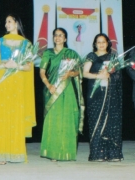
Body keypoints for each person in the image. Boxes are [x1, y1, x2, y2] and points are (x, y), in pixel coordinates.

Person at [0, 14, 36, 164]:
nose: (6, 24)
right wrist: (3, 65)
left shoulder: (26, 44)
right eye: (5, 22)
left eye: (9, 21)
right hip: (2, 82)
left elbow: (28, 67)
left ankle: (13, 151)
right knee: (1, 114)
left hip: (17, 84)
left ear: (16, 23)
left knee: (15, 115)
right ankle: (0, 153)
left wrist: (17, 66)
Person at [40, 27, 84, 161]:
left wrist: (71, 73)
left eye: (61, 35)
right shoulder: (48, 53)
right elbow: (42, 72)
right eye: (55, 35)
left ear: (65, 39)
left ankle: (66, 152)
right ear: (53, 38)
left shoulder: (71, 53)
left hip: (67, 90)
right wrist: (49, 85)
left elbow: (79, 71)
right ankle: (53, 152)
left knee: (67, 119)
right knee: (53, 120)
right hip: (53, 90)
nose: (58, 37)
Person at [83, 33, 123, 162]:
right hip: (96, 94)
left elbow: (118, 76)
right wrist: (98, 76)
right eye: (98, 42)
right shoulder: (91, 56)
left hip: (111, 94)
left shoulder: (113, 57)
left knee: (112, 121)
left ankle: (113, 153)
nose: (101, 44)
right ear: (95, 44)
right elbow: (85, 73)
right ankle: (98, 153)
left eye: (103, 42)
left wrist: (110, 75)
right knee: (97, 121)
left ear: (107, 43)